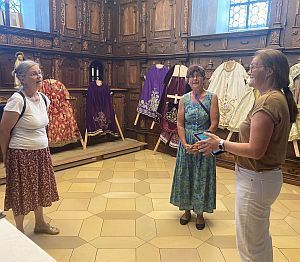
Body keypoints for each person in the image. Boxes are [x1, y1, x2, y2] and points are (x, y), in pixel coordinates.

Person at [197, 49, 298, 261]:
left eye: (254, 66)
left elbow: (255, 150)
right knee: (259, 240)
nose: (249, 70)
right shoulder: (276, 97)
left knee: (250, 247)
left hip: (256, 180)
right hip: (263, 179)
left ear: (269, 71)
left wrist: (222, 143)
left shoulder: (268, 102)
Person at [0, 60, 60, 235]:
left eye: (39, 72)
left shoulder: (43, 98)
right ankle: (19, 232)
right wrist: (6, 155)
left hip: (41, 153)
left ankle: (40, 224)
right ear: (22, 78)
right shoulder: (17, 100)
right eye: (33, 73)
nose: (39, 76)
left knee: (40, 188)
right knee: (21, 192)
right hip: (21, 153)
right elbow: (4, 130)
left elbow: (41, 126)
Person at [170, 65, 219, 230]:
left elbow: (214, 123)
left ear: (203, 78)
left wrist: (203, 141)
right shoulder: (183, 99)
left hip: (204, 143)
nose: (195, 79)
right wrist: (184, 143)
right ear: (188, 80)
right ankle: (186, 210)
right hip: (187, 144)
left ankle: (199, 213)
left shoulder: (212, 97)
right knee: (186, 176)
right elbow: (180, 123)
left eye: (198, 76)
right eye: (192, 76)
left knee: (202, 177)